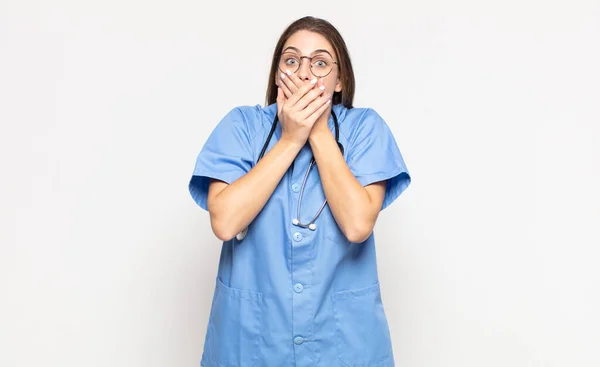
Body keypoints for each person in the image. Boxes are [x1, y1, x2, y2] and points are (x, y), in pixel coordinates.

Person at [188, 16, 411, 367]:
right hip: (252, 343)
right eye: (292, 61)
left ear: (340, 81)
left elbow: (357, 224)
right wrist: (291, 138)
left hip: (343, 346)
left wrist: (318, 132)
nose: (305, 73)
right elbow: (225, 222)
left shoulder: (365, 129)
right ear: (278, 75)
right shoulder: (242, 126)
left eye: (320, 63)